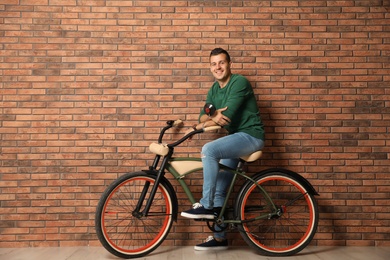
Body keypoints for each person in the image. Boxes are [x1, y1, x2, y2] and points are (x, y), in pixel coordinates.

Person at [180, 48, 265, 250]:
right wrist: (211, 116)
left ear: (229, 64)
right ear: (210, 67)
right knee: (219, 186)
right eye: (213, 64)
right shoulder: (214, 90)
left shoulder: (239, 82)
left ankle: (206, 205)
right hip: (235, 138)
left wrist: (210, 117)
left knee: (209, 150)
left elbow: (227, 117)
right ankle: (219, 238)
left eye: (221, 62)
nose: (217, 67)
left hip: (250, 136)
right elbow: (203, 116)